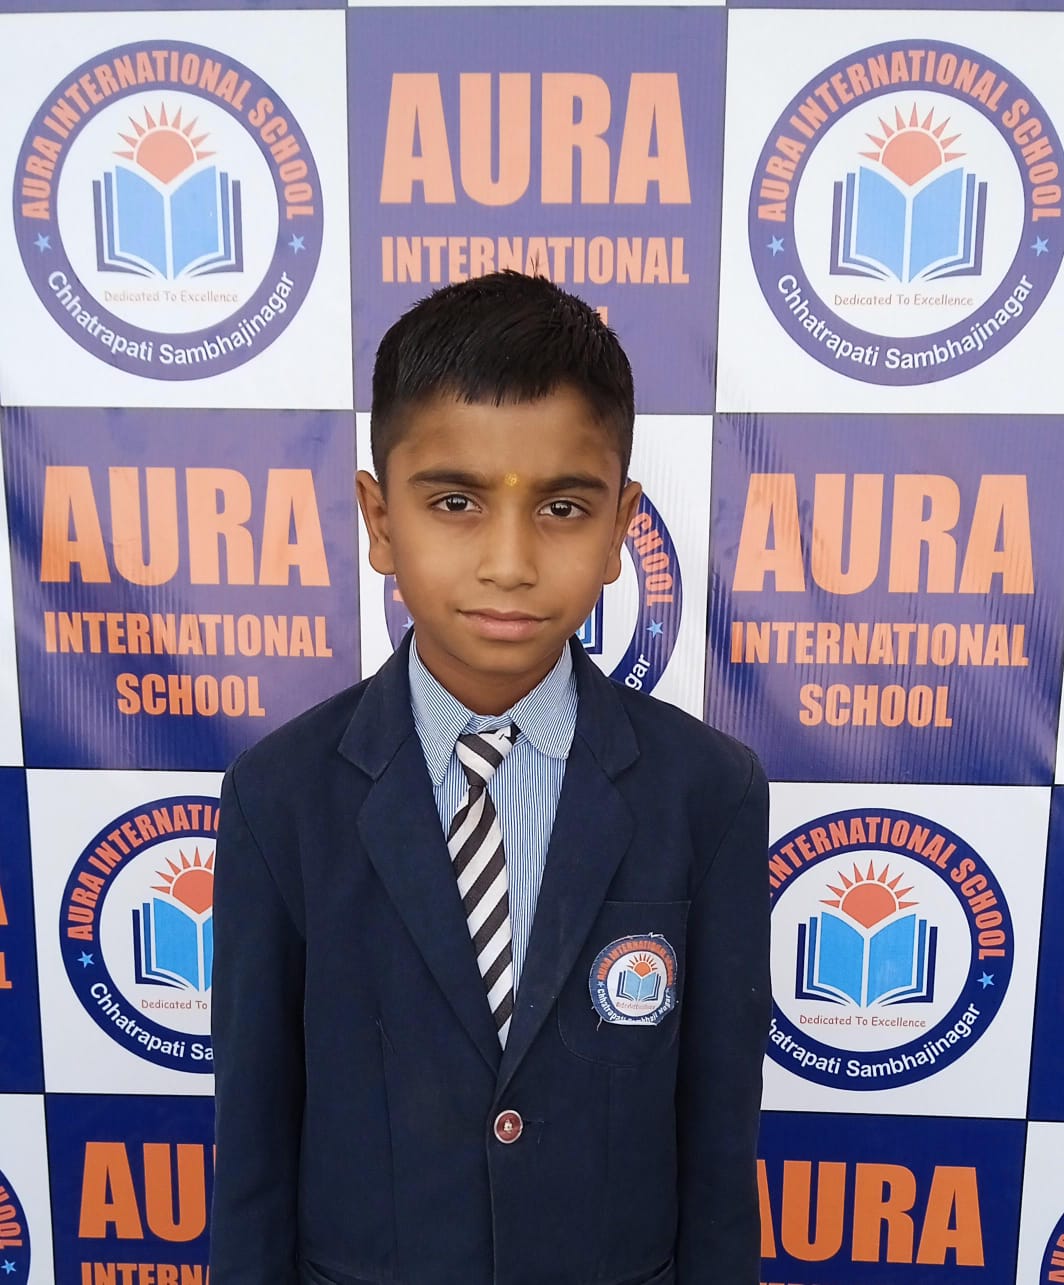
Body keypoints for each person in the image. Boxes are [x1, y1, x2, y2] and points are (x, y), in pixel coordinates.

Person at [210, 272, 770, 1285]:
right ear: (380, 520)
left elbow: (718, 1148)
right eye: (456, 502)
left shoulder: (706, 794)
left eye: (562, 506)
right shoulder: (278, 798)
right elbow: (253, 1149)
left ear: (619, 528)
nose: (509, 562)